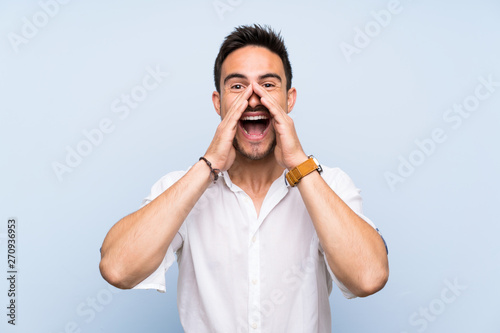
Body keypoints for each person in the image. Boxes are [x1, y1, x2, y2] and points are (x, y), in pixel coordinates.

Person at [99, 24, 389, 333]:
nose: (253, 99)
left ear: (289, 100)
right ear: (218, 102)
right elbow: (118, 269)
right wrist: (209, 164)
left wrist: (300, 165)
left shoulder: (329, 185)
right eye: (237, 86)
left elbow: (368, 278)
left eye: (268, 85)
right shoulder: (181, 188)